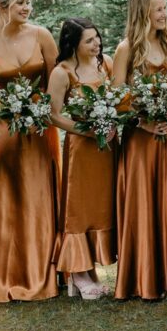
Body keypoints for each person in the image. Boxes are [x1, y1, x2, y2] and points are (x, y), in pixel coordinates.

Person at [0, 0, 60, 302]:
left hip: (39, 127)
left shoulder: (42, 35)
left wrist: (39, 109)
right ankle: (3, 275)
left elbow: (56, 80)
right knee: (8, 200)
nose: (27, 7)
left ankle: (45, 270)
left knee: (39, 195)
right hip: (3, 132)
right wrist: (12, 108)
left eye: (28, 1)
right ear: (1, 7)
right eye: (20, 2)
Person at [112, 0, 167, 300]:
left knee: (163, 197)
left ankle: (165, 274)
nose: (164, 15)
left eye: (165, 9)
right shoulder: (126, 49)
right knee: (141, 200)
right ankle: (140, 277)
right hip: (140, 135)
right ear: (143, 14)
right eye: (158, 10)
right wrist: (144, 120)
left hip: (166, 133)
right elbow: (116, 99)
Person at [48, 18, 117, 299]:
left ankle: (92, 269)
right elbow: (53, 114)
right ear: (73, 44)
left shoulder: (106, 64)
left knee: (102, 204)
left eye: (97, 38)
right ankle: (77, 273)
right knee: (81, 207)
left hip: (110, 145)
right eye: (89, 40)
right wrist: (85, 130)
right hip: (82, 147)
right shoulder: (62, 72)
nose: (96, 44)